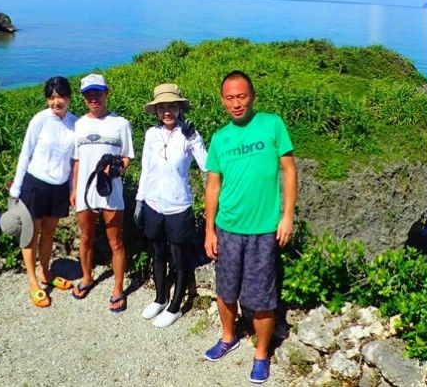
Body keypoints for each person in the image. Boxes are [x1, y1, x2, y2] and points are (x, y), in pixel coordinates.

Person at [203, 70, 297, 384]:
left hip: (263, 229)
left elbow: (289, 171)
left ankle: (261, 354)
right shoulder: (220, 138)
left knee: (263, 297)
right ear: (222, 100)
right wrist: (208, 230)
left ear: (252, 95)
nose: (236, 103)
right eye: (230, 98)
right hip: (227, 227)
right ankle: (228, 337)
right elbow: (213, 186)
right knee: (226, 290)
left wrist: (287, 216)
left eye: (241, 96)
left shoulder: (272, 124)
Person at [135, 83, 207, 328]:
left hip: (178, 205)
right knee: (157, 253)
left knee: (178, 258)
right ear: (156, 110)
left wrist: (194, 139)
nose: (167, 112)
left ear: (179, 109)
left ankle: (176, 306)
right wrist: (139, 201)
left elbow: (206, 165)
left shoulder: (188, 135)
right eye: (162, 107)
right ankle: (160, 298)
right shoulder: (150, 135)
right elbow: (145, 169)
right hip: (153, 204)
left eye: (172, 107)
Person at [9, 76, 78, 307]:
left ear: (69, 97)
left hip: (58, 187)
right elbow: (25, 154)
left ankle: (44, 272)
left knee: (49, 232)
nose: (56, 102)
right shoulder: (39, 120)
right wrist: (16, 189)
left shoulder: (75, 124)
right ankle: (32, 280)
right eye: (51, 97)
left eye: (60, 96)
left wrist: (72, 190)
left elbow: (73, 162)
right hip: (35, 184)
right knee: (31, 233)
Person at [70, 73, 134, 312]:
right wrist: (73, 189)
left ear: (106, 93)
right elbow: (76, 160)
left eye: (97, 93)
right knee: (85, 237)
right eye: (88, 94)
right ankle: (86, 277)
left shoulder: (121, 123)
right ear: (84, 98)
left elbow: (127, 157)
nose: (93, 98)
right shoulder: (78, 124)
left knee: (116, 241)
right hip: (85, 191)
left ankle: (118, 288)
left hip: (111, 190)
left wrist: (117, 168)